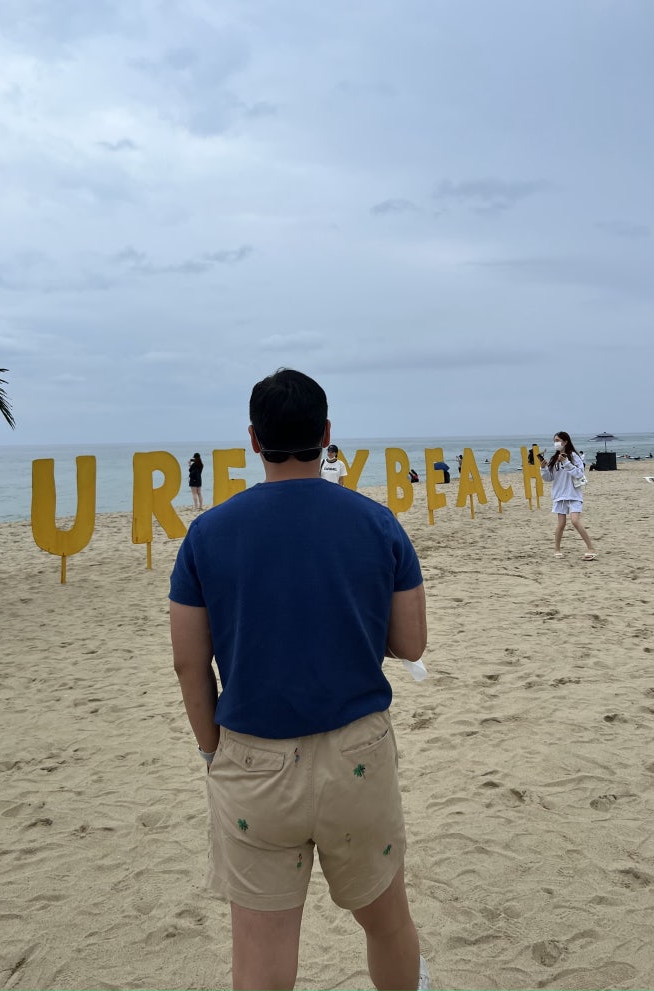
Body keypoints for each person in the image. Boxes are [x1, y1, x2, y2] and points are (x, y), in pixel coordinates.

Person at [169, 369, 429, 991]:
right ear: (326, 433)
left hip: (253, 760)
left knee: (261, 951)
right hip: (357, 754)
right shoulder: (376, 523)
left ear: (254, 439)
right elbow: (411, 643)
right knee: (387, 923)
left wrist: (211, 749)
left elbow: (189, 662)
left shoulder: (208, 533)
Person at [539, 431, 596, 560]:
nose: (556, 443)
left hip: (573, 494)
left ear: (565, 442)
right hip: (559, 495)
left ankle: (591, 548)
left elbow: (579, 473)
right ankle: (557, 549)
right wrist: (543, 468)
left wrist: (566, 462)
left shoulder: (574, 456)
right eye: (554, 441)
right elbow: (549, 478)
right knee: (561, 524)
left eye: (558, 440)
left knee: (575, 521)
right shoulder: (554, 458)